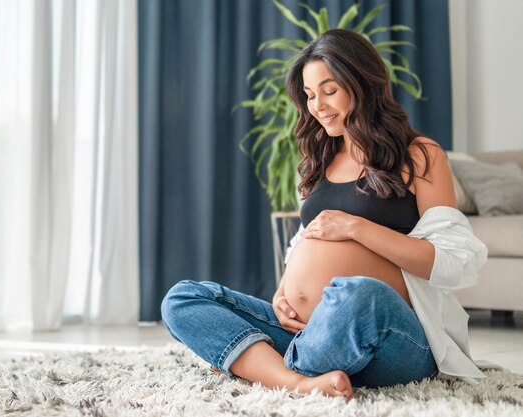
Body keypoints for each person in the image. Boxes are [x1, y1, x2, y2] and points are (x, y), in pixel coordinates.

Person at [160, 29, 487, 399]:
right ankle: (300, 381)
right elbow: (307, 241)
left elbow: (457, 262)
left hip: (391, 336)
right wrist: (284, 292)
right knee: (182, 297)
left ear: (363, 84)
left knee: (358, 293)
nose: (317, 106)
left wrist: (357, 228)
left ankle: (263, 367)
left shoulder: (418, 154)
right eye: (310, 95)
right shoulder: (320, 159)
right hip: (309, 329)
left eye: (329, 91)